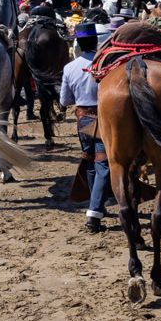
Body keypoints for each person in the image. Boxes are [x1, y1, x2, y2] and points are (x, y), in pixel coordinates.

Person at [59, 22, 110, 232]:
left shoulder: (70, 68)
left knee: (89, 161)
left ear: (78, 43)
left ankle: (94, 204)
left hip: (83, 120)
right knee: (103, 165)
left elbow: (65, 101)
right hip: (105, 118)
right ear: (95, 42)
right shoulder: (107, 64)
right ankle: (94, 212)